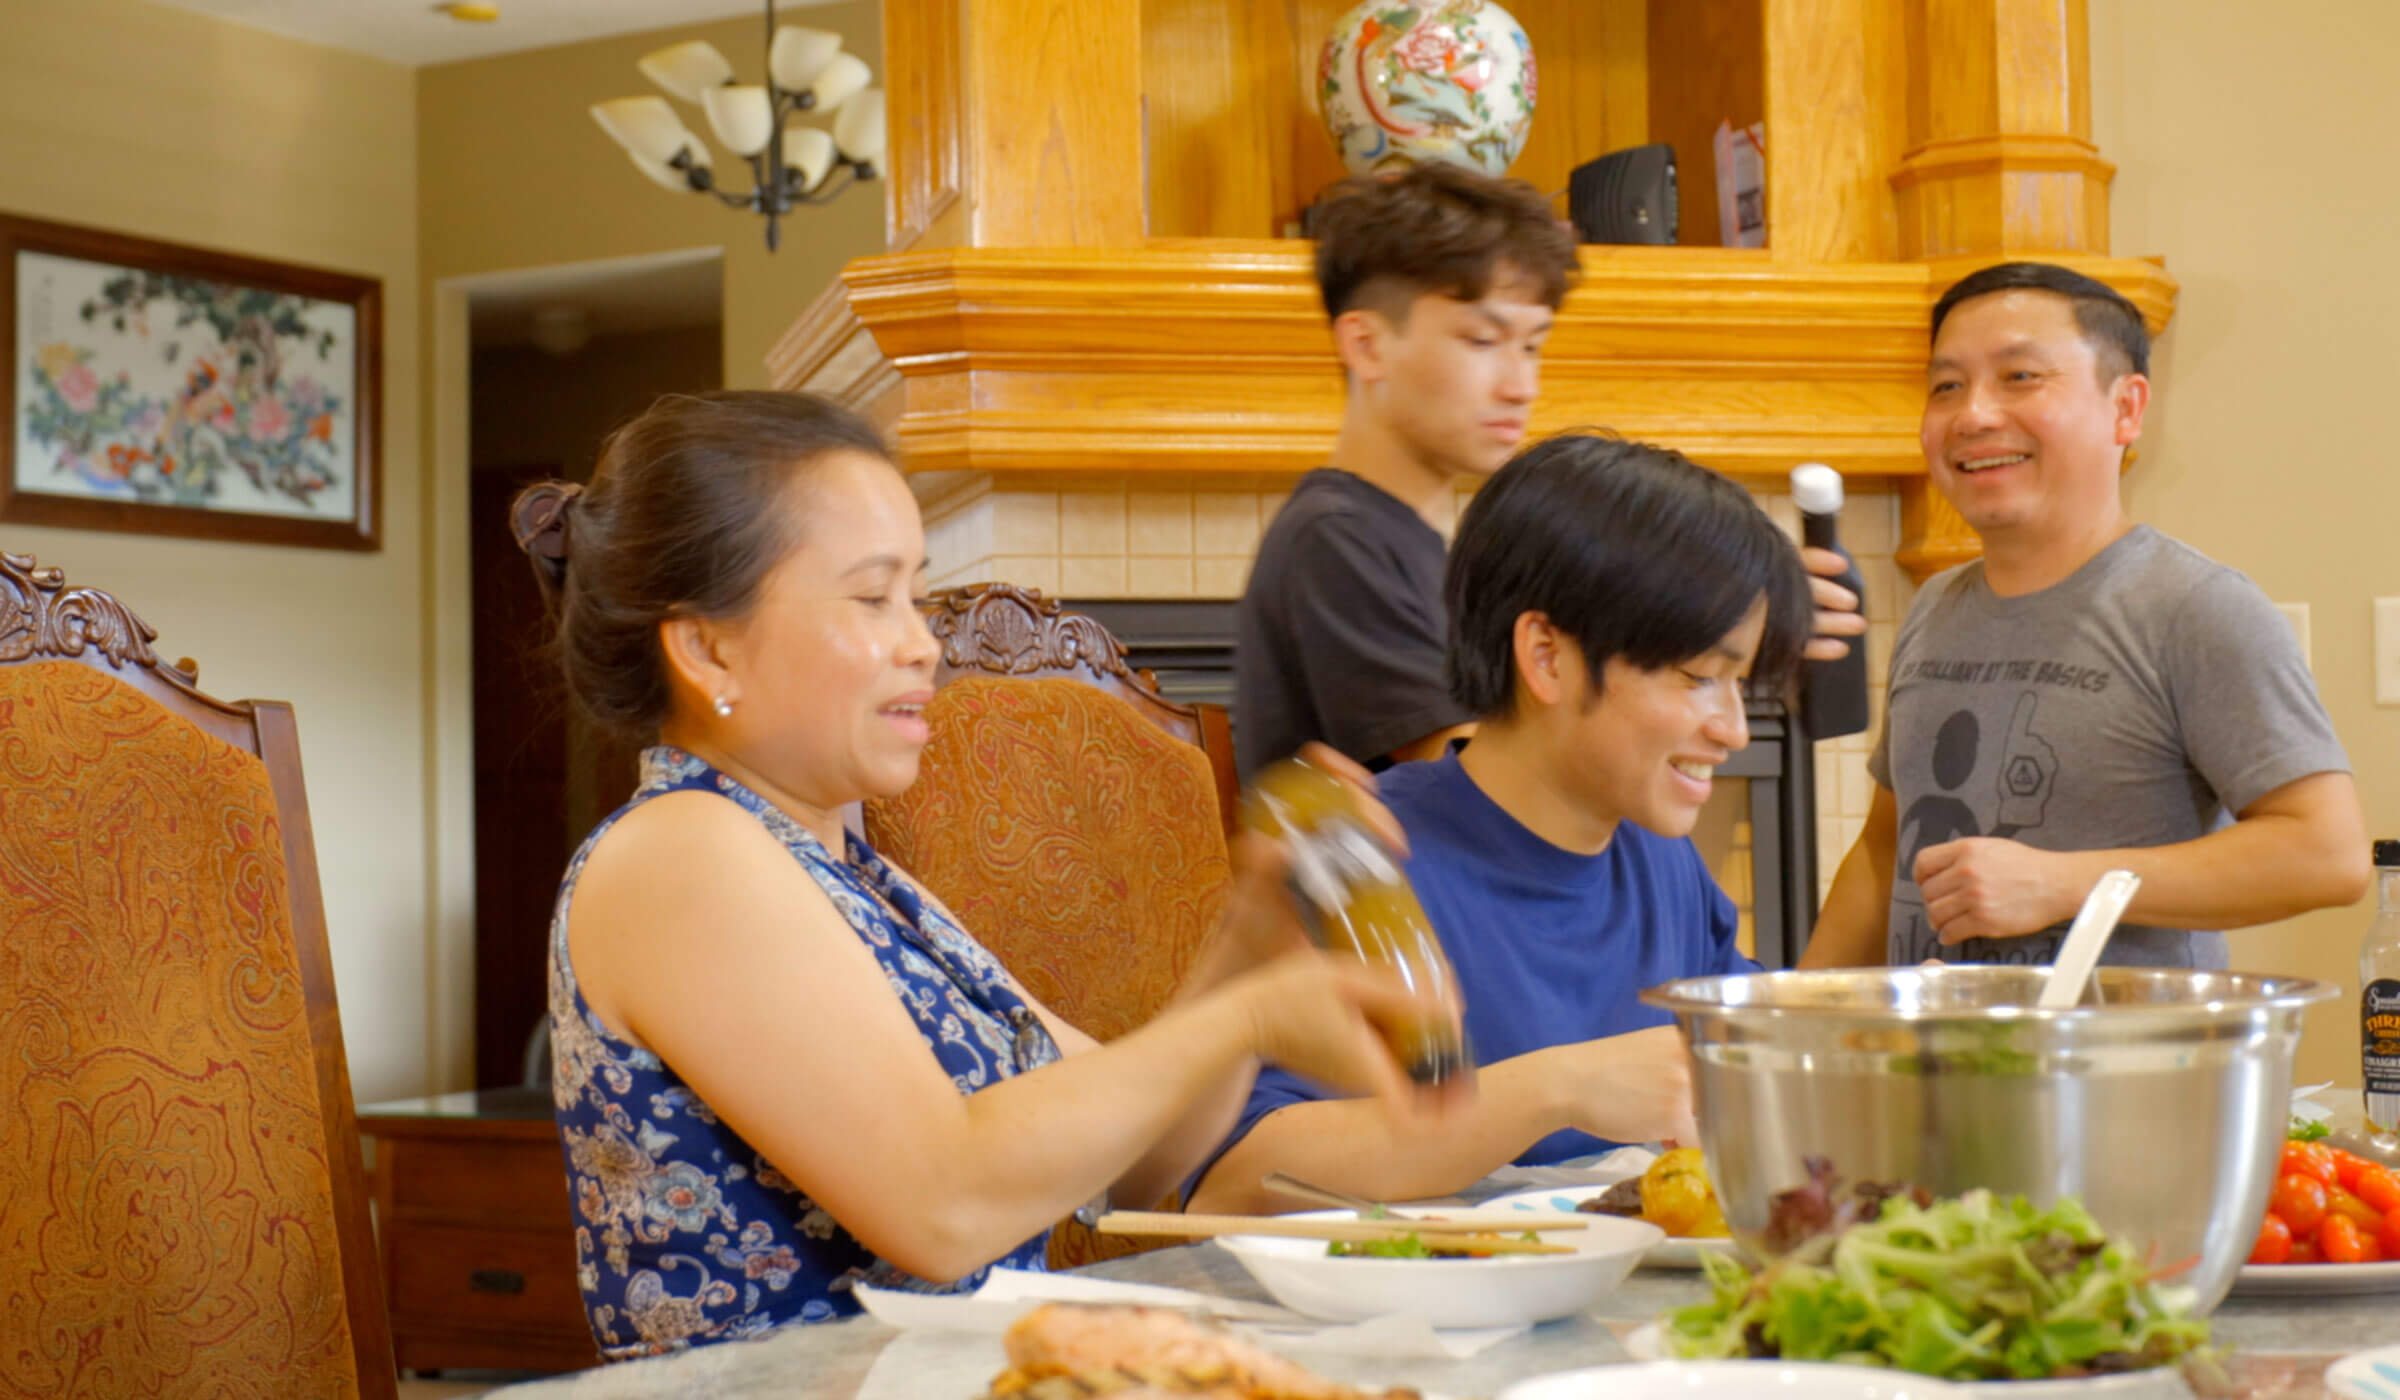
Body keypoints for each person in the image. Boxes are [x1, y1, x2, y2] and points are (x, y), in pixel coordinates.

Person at [509, 391, 1454, 1357]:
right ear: (709, 647)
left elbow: (1137, 1167)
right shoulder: (680, 856)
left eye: (913, 594)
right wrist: (1251, 1017)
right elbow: (943, 1205)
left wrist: (1252, 939)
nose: (921, 641)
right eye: (872, 597)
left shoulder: (859, 879)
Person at [1190, 432, 1815, 1214]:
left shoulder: (1660, 855)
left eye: (1739, 685)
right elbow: (1231, 1186)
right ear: (1547, 656)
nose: (1733, 730)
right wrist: (1560, 1088)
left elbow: (1752, 1055)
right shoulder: (1369, 861)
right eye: (1699, 679)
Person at [1799, 262, 2368, 971]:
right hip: (1944, 1071)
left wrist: (2063, 883)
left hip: (2126, 1077)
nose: (1973, 414)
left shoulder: (2197, 608)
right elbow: (1887, 854)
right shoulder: (1934, 609)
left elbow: (2328, 855)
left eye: (2020, 377)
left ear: (2126, 410)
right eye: (1946, 386)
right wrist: (1790, 1027)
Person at [1233, 161, 1867, 780]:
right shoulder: (1337, 541)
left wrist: (1737, 615)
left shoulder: (1415, 545)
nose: (1521, 386)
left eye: (1532, 346)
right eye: (1482, 341)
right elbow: (1484, 787)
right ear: (1367, 345)